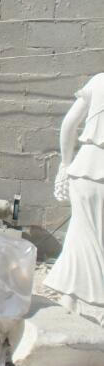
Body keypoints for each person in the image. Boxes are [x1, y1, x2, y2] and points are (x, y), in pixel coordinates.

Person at [45, 73, 104, 325]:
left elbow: (69, 124)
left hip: (85, 169)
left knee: (82, 237)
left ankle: (74, 301)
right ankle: (89, 305)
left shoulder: (99, 80)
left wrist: (66, 162)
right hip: (90, 171)